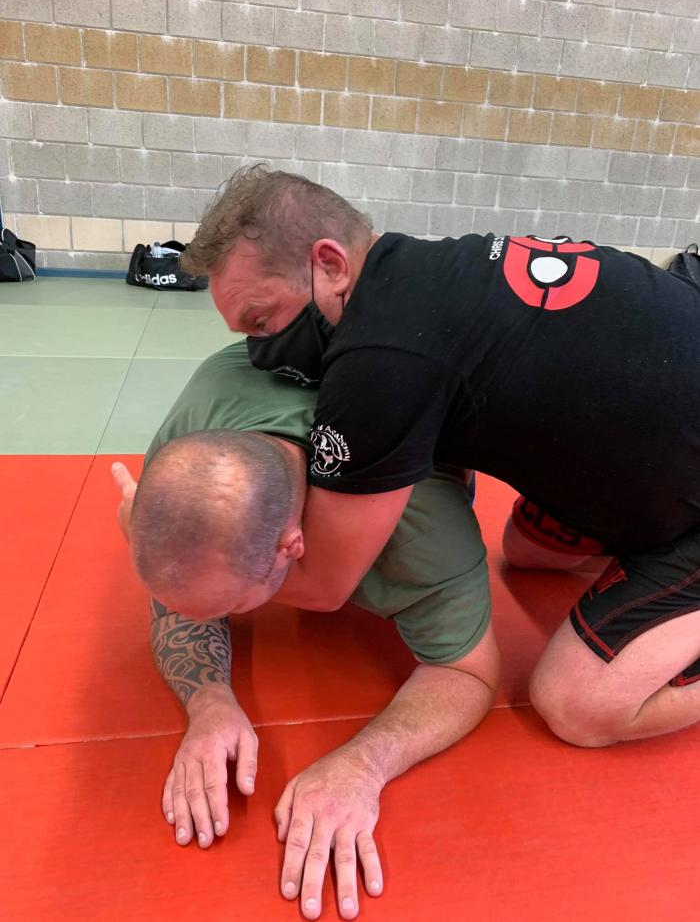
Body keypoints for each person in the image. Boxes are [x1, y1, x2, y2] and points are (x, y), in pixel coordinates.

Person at [179, 163, 700, 749]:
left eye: (261, 321)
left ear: (330, 264)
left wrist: (191, 567)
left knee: (576, 706)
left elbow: (324, 584)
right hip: (661, 439)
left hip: (686, 493)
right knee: (527, 551)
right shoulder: (416, 271)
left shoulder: (382, 360)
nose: (259, 350)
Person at [113, 339, 497, 922]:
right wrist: (208, 702)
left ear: (292, 548)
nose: (206, 615)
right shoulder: (184, 451)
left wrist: (365, 764)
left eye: (228, 604)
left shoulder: (419, 525)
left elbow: (469, 671)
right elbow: (180, 596)